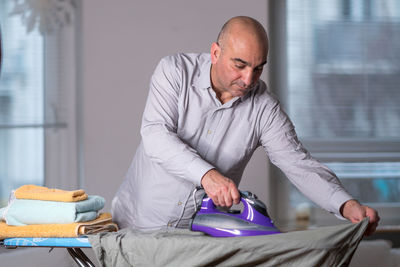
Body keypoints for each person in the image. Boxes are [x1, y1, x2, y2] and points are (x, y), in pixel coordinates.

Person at [111, 16, 379, 235]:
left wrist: (346, 205)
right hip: (137, 226)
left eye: (258, 68)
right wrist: (208, 176)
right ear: (216, 52)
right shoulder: (174, 72)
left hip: (198, 241)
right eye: (239, 65)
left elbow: (298, 164)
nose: (249, 79)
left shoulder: (264, 108)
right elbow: (155, 135)